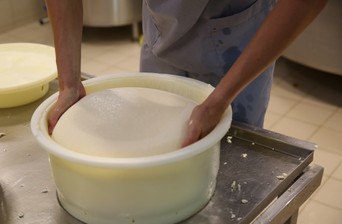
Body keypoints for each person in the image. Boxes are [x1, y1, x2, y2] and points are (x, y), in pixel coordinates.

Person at [44, 0, 326, 147]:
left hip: (238, 41)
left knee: (227, 169)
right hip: (163, 29)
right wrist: (69, 83)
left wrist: (219, 100)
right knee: (152, 145)